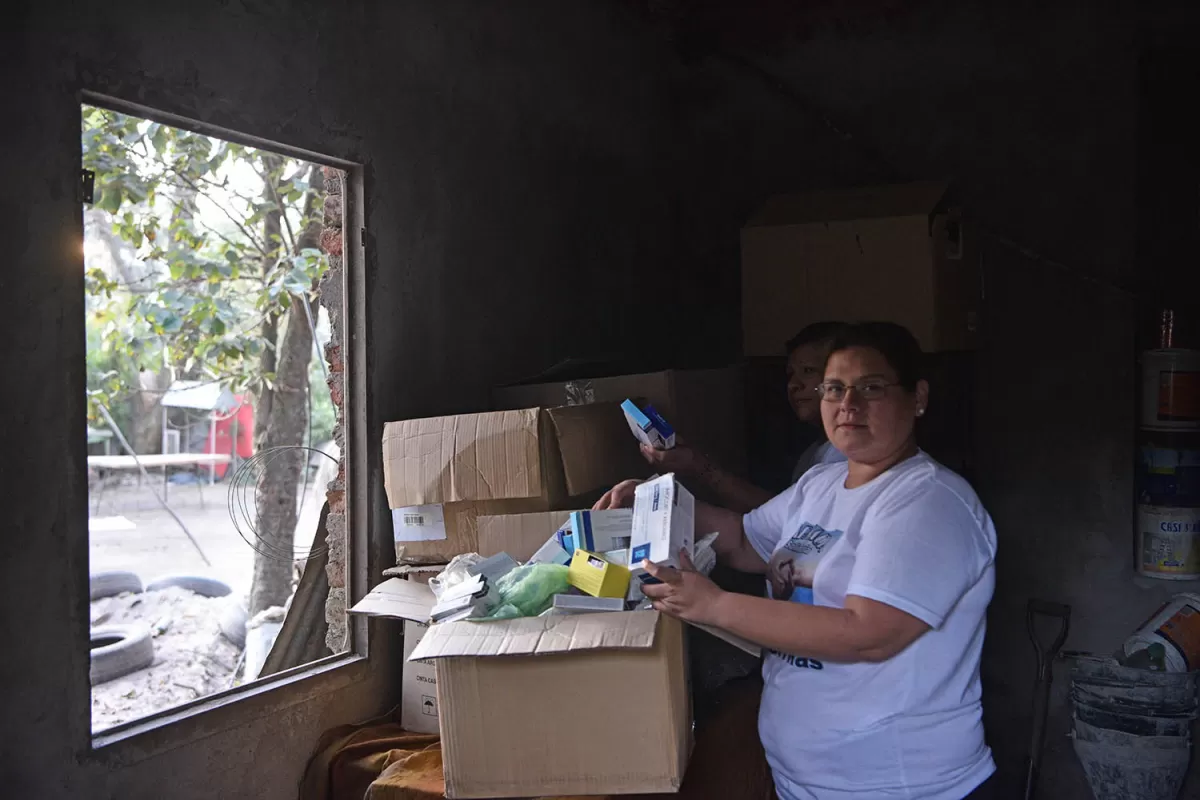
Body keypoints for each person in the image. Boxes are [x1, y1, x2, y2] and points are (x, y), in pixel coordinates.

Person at [596, 322, 997, 800]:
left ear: (918, 397)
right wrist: (658, 501)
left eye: (871, 387)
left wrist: (714, 605)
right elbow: (745, 540)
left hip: (901, 785)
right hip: (809, 783)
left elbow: (868, 634)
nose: (848, 404)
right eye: (834, 388)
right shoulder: (821, 484)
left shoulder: (928, 501)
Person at [641, 321, 848, 513]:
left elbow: (788, 517)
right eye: (791, 373)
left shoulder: (844, 455)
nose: (794, 384)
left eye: (808, 371)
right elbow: (772, 520)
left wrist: (697, 466)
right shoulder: (812, 453)